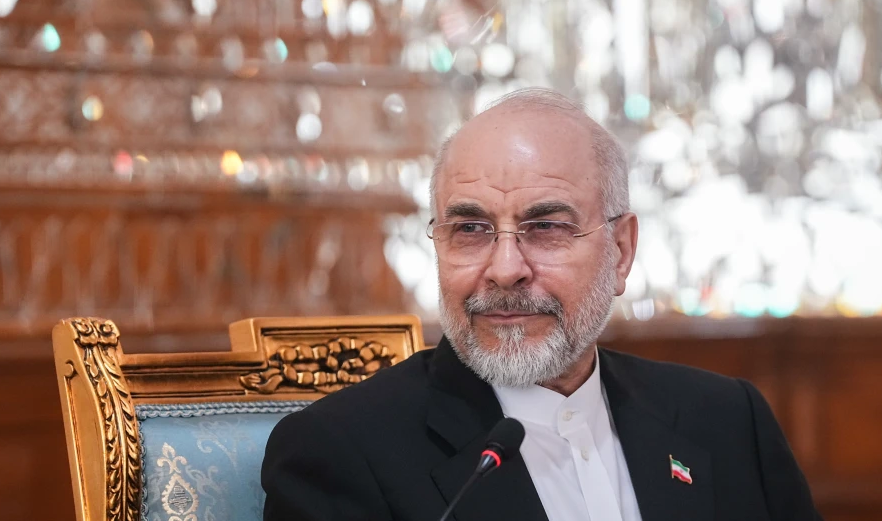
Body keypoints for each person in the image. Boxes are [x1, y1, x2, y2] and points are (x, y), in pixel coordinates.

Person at [261, 88, 822, 521]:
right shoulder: (339, 453)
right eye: (471, 228)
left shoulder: (726, 418)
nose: (505, 268)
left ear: (621, 252)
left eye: (547, 227)